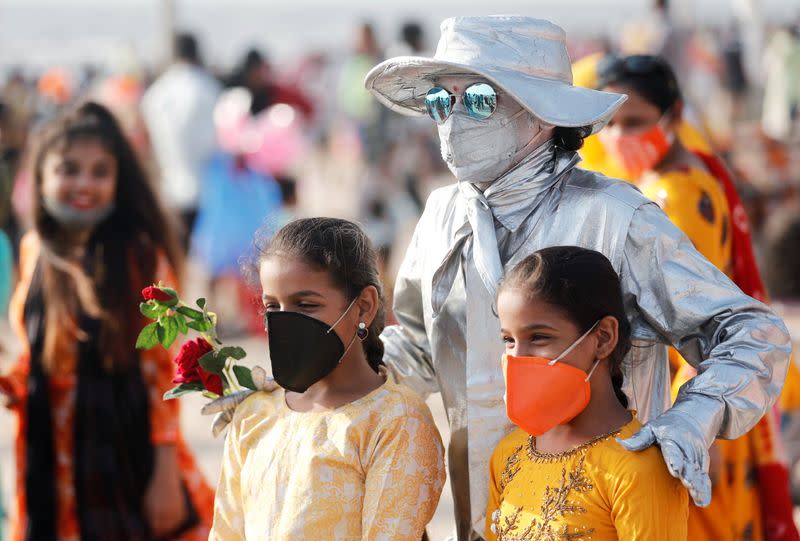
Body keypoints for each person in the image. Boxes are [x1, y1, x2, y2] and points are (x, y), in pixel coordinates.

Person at [364, 16, 791, 540]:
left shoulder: (615, 216)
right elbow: (417, 349)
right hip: (485, 512)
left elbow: (754, 334)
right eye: (439, 101)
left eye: (476, 98)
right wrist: (311, 370)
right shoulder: (440, 215)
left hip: (607, 508)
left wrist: (692, 419)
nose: (452, 118)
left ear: (542, 112)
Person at [596, 55, 799, 541]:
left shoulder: (676, 195)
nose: (621, 134)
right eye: (612, 122)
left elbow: (690, 315)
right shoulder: (682, 177)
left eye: (636, 121)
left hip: (694, 402)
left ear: (674, 114)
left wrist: (694, 419)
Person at [0, 102, 214, 541]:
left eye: (100, 171)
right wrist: (15, 378)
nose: (84, 183)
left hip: (123, 454)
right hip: (48, 456)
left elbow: (162, 372)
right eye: (69, 169)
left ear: (119, 181)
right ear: (41, 176)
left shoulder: (139, 256)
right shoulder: (34, 250)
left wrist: (165, 470)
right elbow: (42, 351)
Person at [209, 217, 446, 540]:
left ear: (363, 306)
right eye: (272, 306)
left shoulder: (397, 423)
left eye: (305, 305)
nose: (284, 321)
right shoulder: (254, 415)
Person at [487, 246, 688, 540]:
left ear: (603, 338)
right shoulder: (509, 453)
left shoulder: (639, 470)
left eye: (539, 337)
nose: (517, 358)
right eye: (508, 340)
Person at [140, 32, 221, 249]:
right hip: (208, 187)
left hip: (170, 186)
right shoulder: (206, 87)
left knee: (177, 253)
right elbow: (219, 138)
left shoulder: (157, 92)